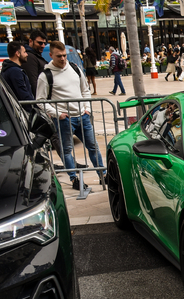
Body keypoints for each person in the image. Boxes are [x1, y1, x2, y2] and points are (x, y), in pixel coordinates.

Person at [36, 41, 106, 190]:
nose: (62, 59)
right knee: (67, 150)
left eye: (64, 56)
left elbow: (85, 89)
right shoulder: (45, 75)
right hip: (64, 119)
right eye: (58, 56)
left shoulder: (74, 68)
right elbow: (40, 101)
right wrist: (58, 114)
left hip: (83, 116)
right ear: (51, 55)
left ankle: (103, 175)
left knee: (93, 147)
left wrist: (87, 108)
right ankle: (74, 179)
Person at [1, 41, 34, 107]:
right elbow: (23, 94)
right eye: (24, 52)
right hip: (22, 110)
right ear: (18, 54)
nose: (26, 54)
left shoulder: (6, 69)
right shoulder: (15, 71)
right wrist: (35, 108)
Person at [22, 29, 49, 97]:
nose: (43, 46)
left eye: (44, 43)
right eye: (40, 43)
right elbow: (33, 82)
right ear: (30, 41)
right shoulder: (30, 57)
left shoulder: (36, 56)